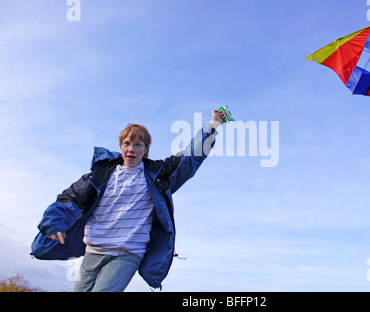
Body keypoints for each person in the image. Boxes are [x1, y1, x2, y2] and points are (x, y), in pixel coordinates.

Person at [31, 110, 225, 291]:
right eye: (127, 143)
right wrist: (54, 222)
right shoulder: (100, 175)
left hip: (127, 253)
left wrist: (213, 125)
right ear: (121, 146)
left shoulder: (158, 176)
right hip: (93, 250)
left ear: (146, 149)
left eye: (138, 145)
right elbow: (70, 198)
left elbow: (190, 157)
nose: (131, 149)